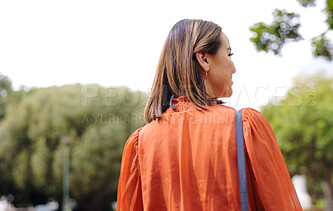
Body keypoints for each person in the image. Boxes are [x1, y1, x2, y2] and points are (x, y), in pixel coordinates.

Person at [117, 19, 302, 211]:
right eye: (229, 54)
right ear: (204, 59)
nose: (234, 67)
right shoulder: (245, 126)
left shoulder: (141, 143)